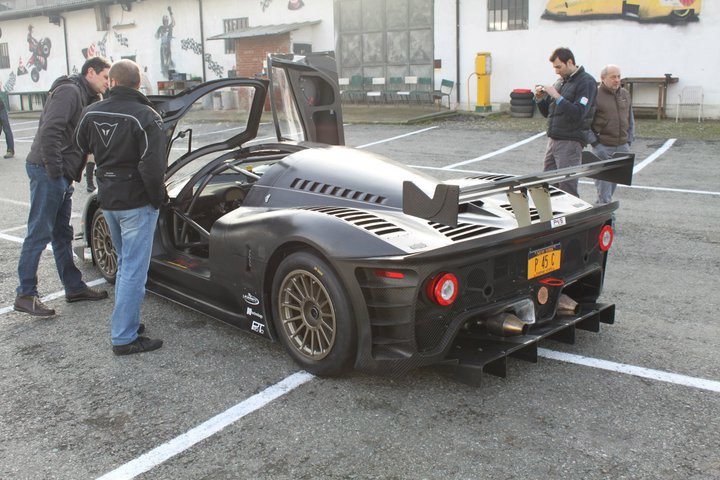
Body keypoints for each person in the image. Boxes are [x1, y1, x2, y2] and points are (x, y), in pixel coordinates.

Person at [75, 59, 165, 355]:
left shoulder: (90, 112)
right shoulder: (145, 116)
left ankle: (128, 322)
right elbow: (153, 168)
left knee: (126, 264)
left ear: (112, 82)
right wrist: (158, 199)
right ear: (139, 83)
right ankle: (124, 337)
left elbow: (81, 144)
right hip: (136, 202)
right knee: (133, 270)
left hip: (107, 199)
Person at [14, 56, 111, 317]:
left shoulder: (87, 96)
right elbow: (50, 132)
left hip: (60, 174)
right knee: (39, 231)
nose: (107, 83)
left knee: (61, 234)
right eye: (104, 77)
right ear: (90, 72)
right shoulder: (70, 91)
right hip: (48, 171)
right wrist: (57, 172)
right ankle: (26, 294)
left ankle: (74, 287)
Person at [535, 47, 597, 197]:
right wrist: (540, 99)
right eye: (554, 67)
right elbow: (548, 114)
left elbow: (579, 113)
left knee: (567, 187)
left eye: (558, 66)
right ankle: (553, 218)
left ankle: (571, 219)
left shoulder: (586, 82)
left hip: (571, 141)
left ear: (570, 62)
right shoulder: (561, 81)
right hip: (554, 139)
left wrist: (557, 96)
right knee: (549, 183)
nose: (556, 71)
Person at [586, 64, 634, 205]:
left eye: (619, 76)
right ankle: (607, 222)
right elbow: (585, 123)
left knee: (612, 186)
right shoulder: (595, 95)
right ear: (603, 78)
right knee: (604, 189)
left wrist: (629, 140)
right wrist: (595, 143)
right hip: (603, 148)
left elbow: (630, 118)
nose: (617, 80)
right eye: (613, 77)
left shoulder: (625, 94)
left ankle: (601, 216)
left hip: (622, 147)